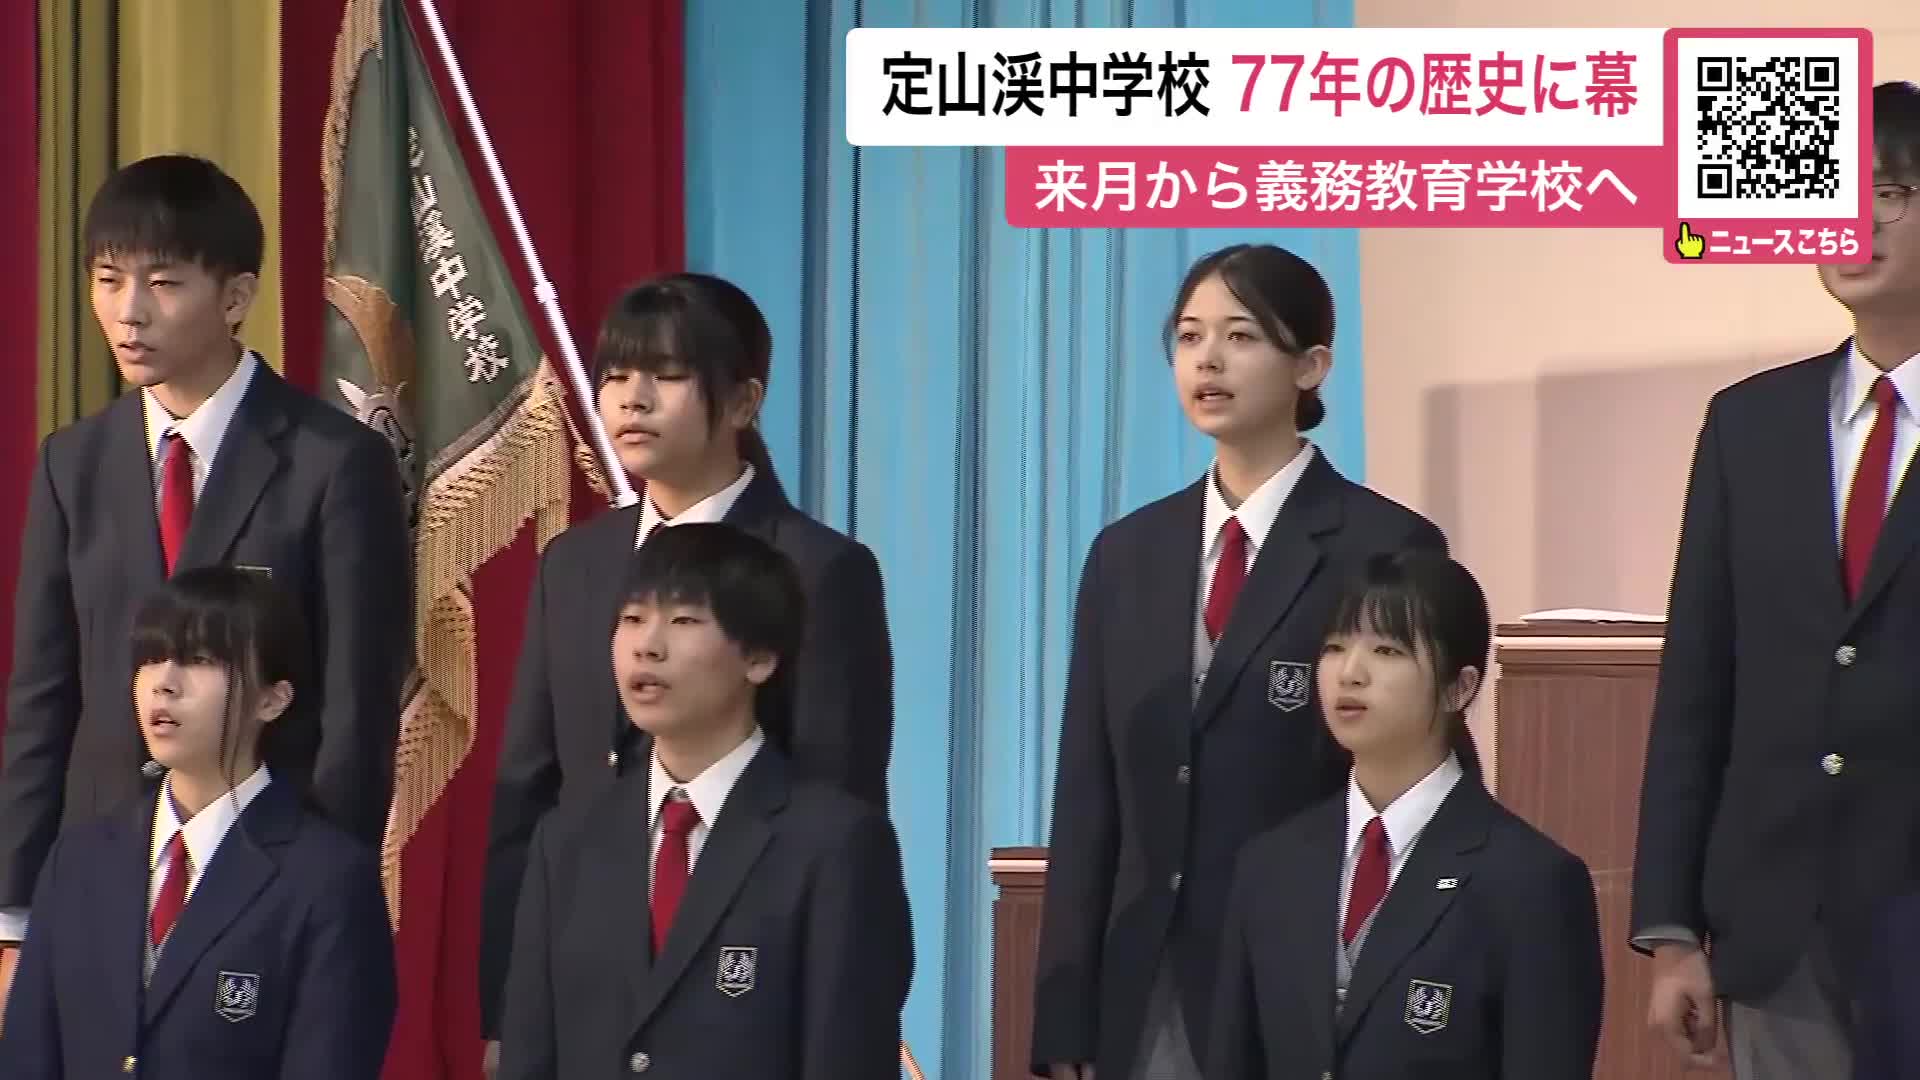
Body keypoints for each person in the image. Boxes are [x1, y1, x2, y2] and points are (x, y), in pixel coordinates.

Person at [0, 154, 411, 1020]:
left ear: (235, 296)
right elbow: (42, 702)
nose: (129, 311)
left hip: (265, 881)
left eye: (163, 284)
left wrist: (318, 895)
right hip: (103, 883)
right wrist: (14, 919)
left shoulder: (335, 463)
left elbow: (357, 710)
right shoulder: (73, 463)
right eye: (108, 280)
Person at [1029, 243, 1448, 1080]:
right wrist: (1064, 1011)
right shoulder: (1127, 554)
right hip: (1146, 985)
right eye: (1190, 337)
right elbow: (1087, 792)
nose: (1208, 359)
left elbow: (1410, 786)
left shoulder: (1384, 545)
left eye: (1242, 336)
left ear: (1311, 365)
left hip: (1309, 976)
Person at [478, 272, 894, 1051]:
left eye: (667, 376)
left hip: (744, 978)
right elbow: (528, 787)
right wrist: (504, 1010)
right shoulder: (576, 564)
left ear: (741, 402)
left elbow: (841, 795)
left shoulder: (818, 568)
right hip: (589, 972)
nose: (632, 401)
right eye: (615, 376)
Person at [1631, 80, 1920, 1080]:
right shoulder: (1748, 425)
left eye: (1887, 192)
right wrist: (1673, 930)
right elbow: (1697, 687)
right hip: (1776, 935)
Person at [496, 523, 911, 1079]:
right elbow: (531, 1057)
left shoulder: (834, 845)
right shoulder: (566, 840)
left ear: (759, 658)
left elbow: (845, 1059)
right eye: (632, 619)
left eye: (684, 620)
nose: (648, 645)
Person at [1206, 549, 1604, 1079]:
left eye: (1387, 650)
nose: (1350, 673)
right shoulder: (1269, 866)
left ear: (1459, 687)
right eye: (1334, 647)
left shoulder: (1530, 883)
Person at [0, 566, 397, 1078]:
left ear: (273, 698)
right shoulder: (78, 860)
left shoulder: (328, 880)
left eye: (200, 660)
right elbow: (29, 1057)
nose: (163, 684)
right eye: (150, 659)